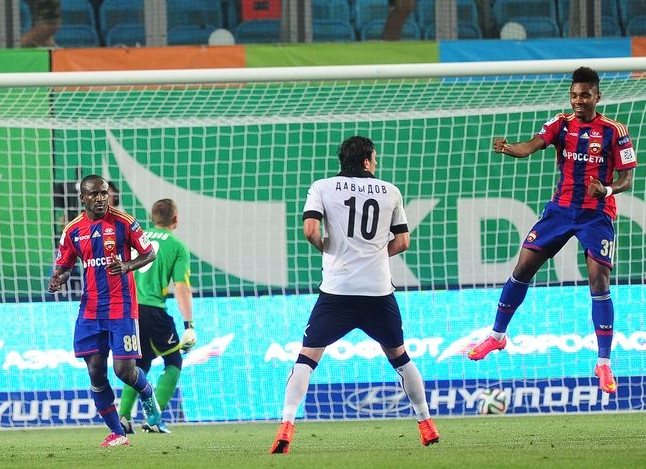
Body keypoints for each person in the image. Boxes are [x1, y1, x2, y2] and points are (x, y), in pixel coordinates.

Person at [467, 67, 637, 395]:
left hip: (596, 215)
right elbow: (531, 146)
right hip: (560, 211)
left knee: (599, 280)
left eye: (585, 95)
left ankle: (603, 362)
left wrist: (606, 190)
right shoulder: (561, 123)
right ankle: (497, 336)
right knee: (522, 268)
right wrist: (508, 148)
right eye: (574, 95)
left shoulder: (615, 131)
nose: (578, 101)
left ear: (597, 96)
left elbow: (627, 178)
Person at [269, 136, 440, 454]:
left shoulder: (322, 187)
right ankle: (426, 423)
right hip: (377, 291)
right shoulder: (390, 191)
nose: (376, 163)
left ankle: (286, 425)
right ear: (366, 160)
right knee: (400, 358)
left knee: (306, 359)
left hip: (337, 291)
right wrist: (373, 256)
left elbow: (310, 230)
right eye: (375, 158)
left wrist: (326, 249)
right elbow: (403, 242)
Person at [48, 175, 169, 447]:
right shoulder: (73, 230)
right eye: (94, 194)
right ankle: (118, 433)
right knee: (95, 372)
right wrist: (58, 279)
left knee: (124, 371)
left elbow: (149, 253)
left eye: (104, 193)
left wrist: (126, 266)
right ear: (83, 198)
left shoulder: (125, 222)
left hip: (121, 307)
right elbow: (65, 267)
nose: (101, 198)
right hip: (91, 309)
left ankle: (147, 395)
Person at [118, 199, 196, 434]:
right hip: (152, 310)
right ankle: (154, 417)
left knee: (139, 363)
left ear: (152, 218)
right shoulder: (177, 246)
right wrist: (189, 325)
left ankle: (123, 417)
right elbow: (182, 287)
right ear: (176, 219)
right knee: (174, 361)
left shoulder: (137, 237)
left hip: (128, 310)